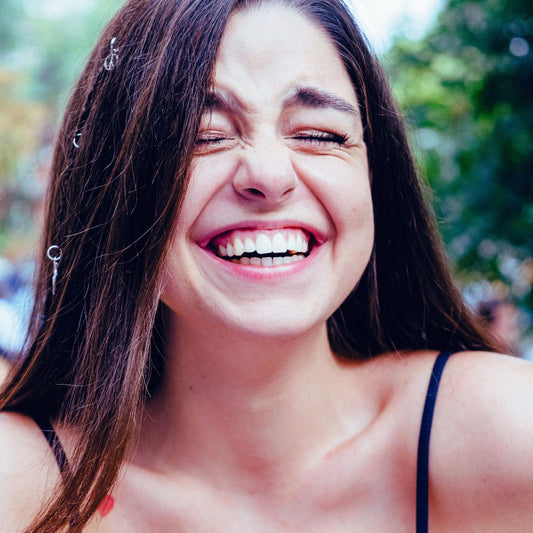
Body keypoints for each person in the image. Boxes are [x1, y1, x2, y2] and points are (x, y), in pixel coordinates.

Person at [1, 0, 532, 531]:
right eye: (203, 136)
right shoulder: (23, 483)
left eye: (319, 135)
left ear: (376, 179)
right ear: (115, 190)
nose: (269, 174)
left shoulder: (502, 431)